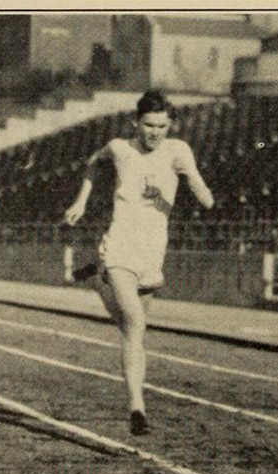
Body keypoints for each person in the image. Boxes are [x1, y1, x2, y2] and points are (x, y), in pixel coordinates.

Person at [64, 90, 214, 436]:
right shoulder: (120, 148)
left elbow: (206, 199)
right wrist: (81, 201)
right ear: (137, 123)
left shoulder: (179, 151)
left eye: (162, 126)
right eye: (149, 125)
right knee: (135, 324)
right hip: (121, 245)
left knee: (131, 328)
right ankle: (137, 407)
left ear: (170, 125)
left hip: (152, 252)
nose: (155, 132)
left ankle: (96, 282)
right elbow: (93, 161)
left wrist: (187, 182)